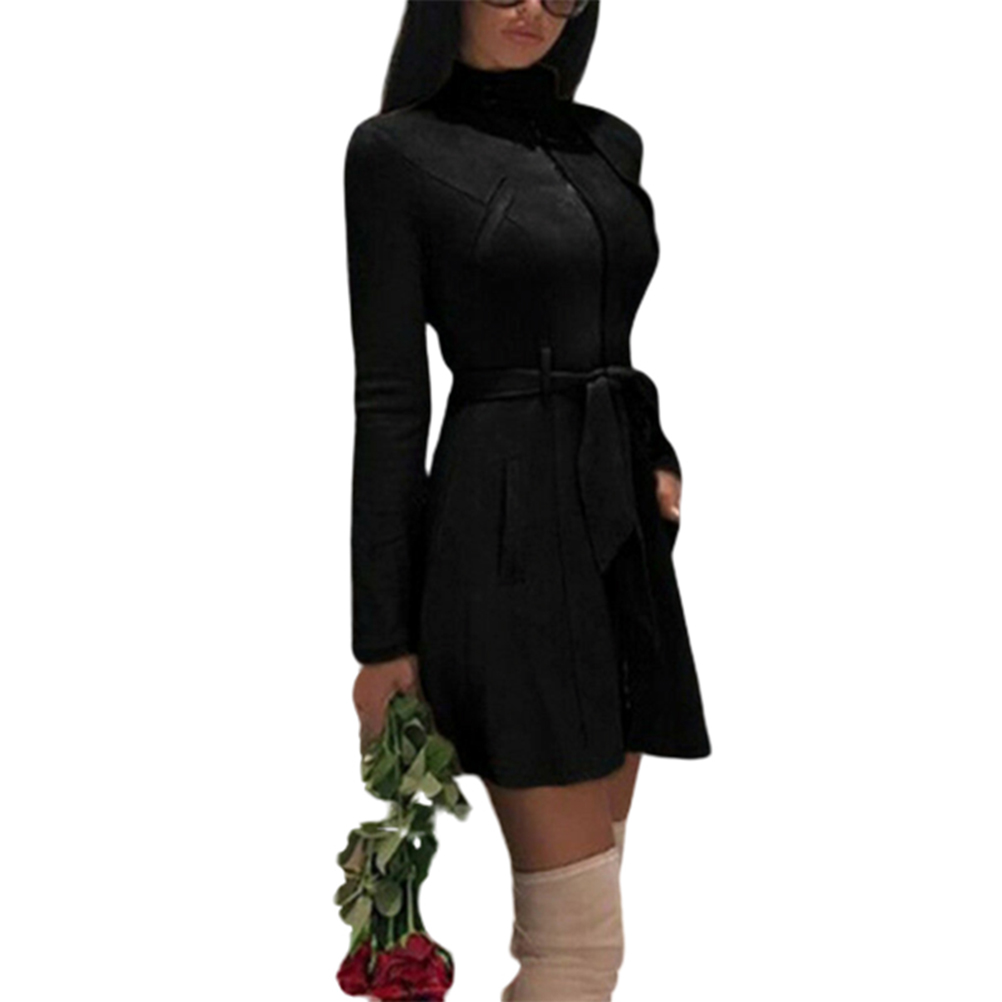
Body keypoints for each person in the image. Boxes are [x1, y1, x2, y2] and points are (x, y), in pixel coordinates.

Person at [344, 2, 711, 998]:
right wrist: (381, 639)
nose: (535, 10)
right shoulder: (395, 153)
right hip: (501, 529)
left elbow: (605, 327)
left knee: (593, 902)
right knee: (576, 948)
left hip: (619, 539)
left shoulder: (610, 144)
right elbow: (390, 400)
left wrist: (656, 455)